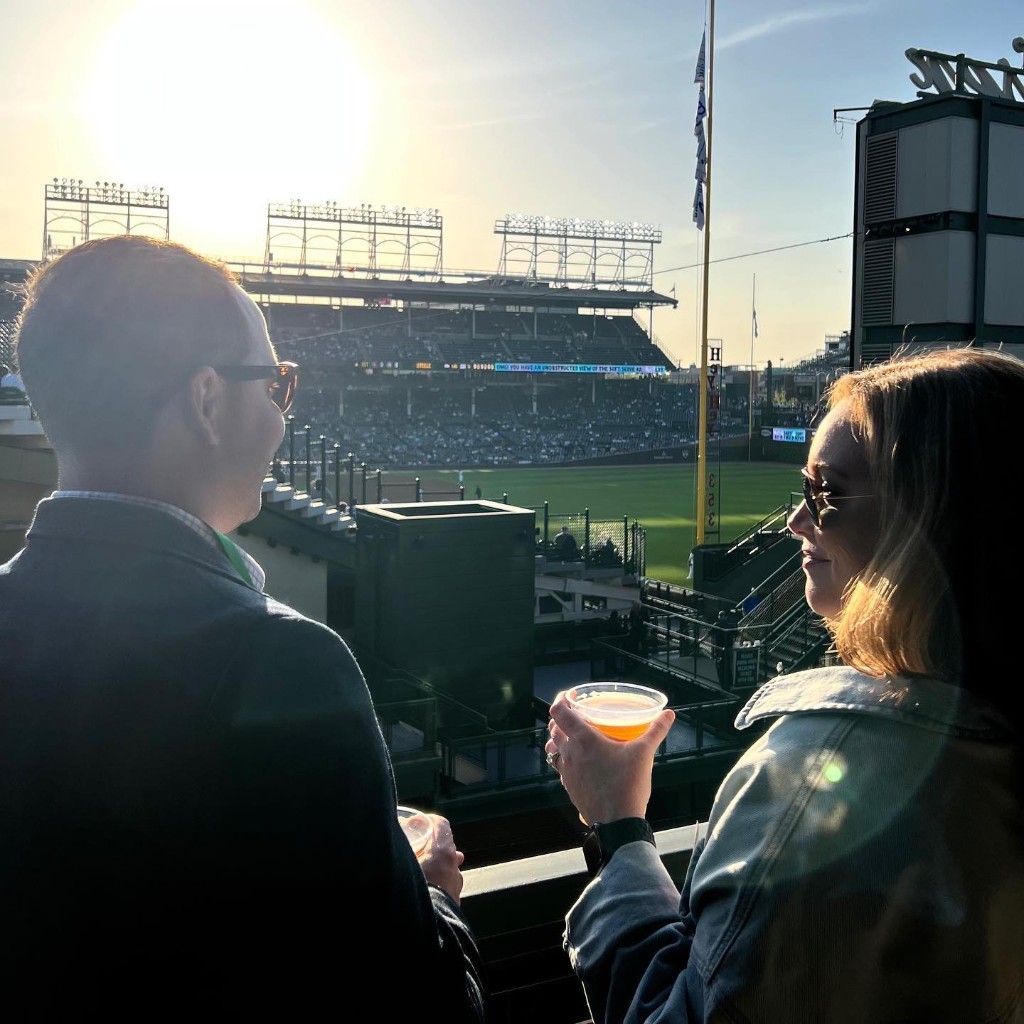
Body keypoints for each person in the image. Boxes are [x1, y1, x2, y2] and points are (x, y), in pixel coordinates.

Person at [0, 236, 487, 1021]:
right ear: (206, 399)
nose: (282, 421)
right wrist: (427, 891)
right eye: (275, 385)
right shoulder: (283, 662)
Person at [546, 347, 1023, 1024]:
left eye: (825, 493)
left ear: (932, 514)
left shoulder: (815, 776)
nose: (798, 521)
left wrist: (618, 827)